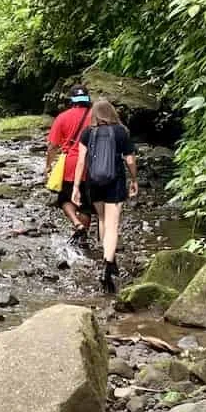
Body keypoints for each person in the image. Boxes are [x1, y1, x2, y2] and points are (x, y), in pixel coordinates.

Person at [71, 98, 138, 293]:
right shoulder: (121, 132)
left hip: (94, 182)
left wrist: (76, 187)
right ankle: (108, 265)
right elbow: (130, 159)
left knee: (102, 219)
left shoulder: (87, 133)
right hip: (115, 182)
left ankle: (107, 257)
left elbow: (81, 162)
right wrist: (133, 179)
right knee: (113, 224)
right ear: (112, 113)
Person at [45, 84, 93, 244]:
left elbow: (52, 146)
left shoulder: (63, 117)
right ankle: (83, 235)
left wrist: (48, 165)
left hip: (71, 163)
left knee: (65, 198)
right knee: (86, 204)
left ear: (72, 100)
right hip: (93, 163)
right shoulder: (96, 116)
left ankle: (77, 224)